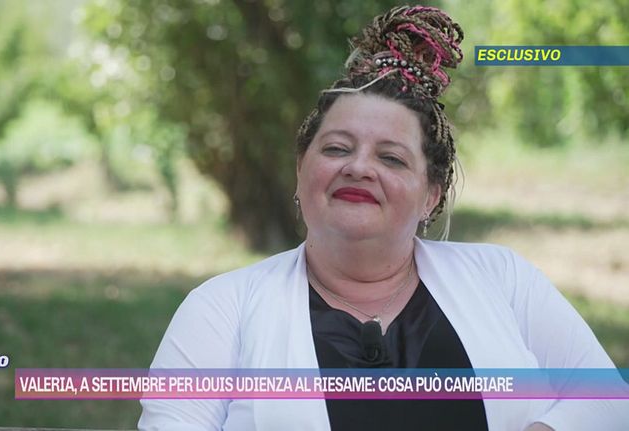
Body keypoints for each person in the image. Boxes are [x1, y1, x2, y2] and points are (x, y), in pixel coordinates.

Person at [138, 5, 628, 430]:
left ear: (430, 197)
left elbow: (608, 399)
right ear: (301, 171)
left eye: (391, 158)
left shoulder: (502, 279)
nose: (358, 167)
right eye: (337, 148)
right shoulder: (222, 309)